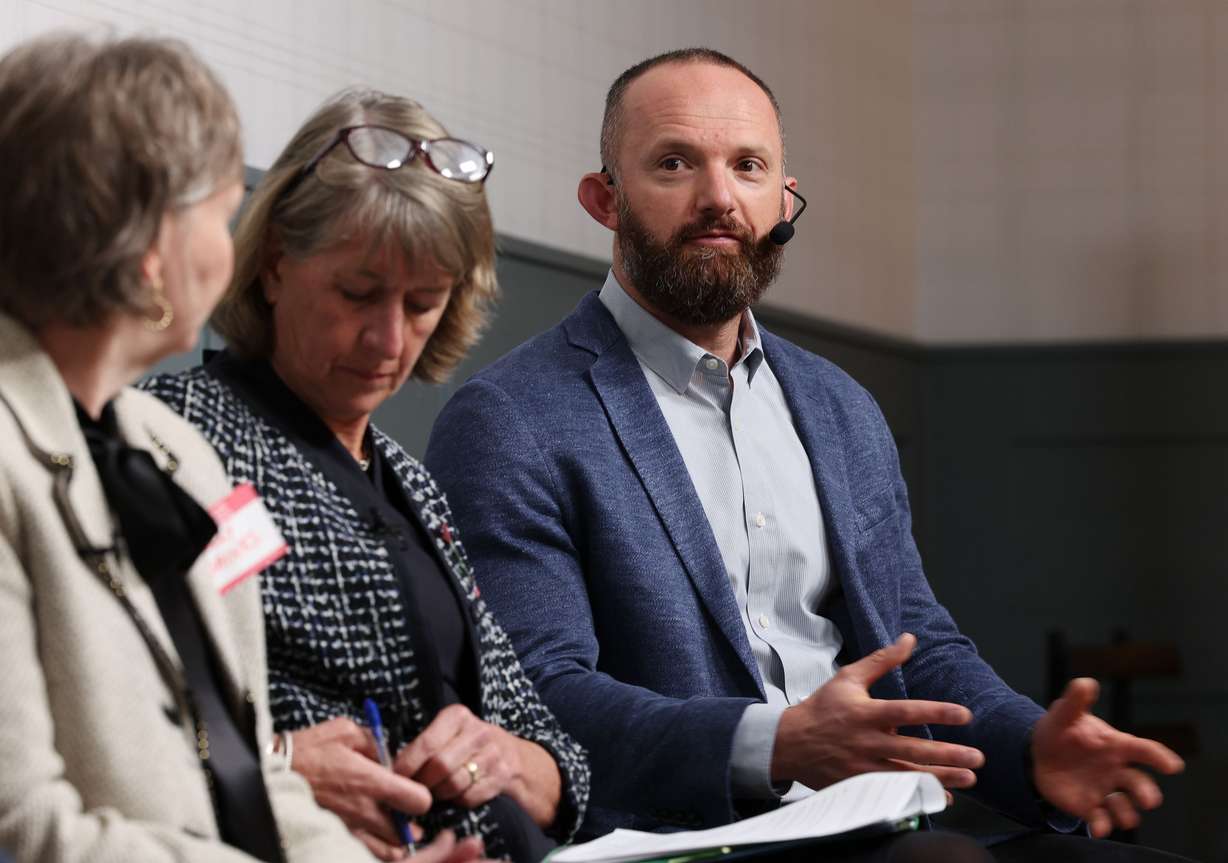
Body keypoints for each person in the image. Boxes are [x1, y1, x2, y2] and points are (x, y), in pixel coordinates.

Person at [423, 49, 1190, 861]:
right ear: (604, 200)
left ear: (785, 199)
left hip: (880, 824)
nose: (719, 198)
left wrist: (1032, 752)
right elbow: (540, 697)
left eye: (748, 166)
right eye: (675, 163)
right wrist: (773, 741)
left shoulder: (839, 406)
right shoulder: (509, 418)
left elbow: (916, 644)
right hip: (678, 842)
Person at [0, 33, 419, 863]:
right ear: (152, 246)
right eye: (222, 217)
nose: (230, 256)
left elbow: (248, 769)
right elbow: (24, 831)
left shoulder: (175, 451)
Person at [142, 89, 589, 863]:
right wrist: (277, 763)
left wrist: (513, 761)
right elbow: (97, 728)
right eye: (358, 293)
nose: (389, 339)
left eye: (423, 303)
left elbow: (557, 758)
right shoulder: (172, 439)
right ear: (277, 264)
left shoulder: (413, 486)